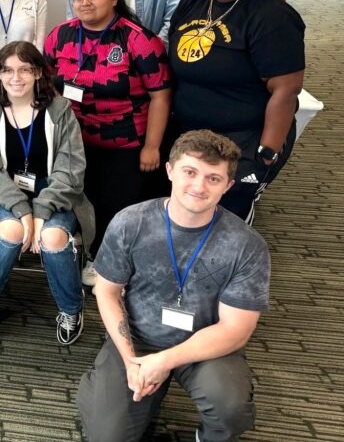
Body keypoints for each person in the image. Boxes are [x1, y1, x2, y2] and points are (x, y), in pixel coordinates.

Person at [77, 131, 270, 442]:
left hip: (205, 346)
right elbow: (107, 292)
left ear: (228, 186)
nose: (199, 186)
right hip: (138, 339)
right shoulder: (130, 222)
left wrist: (165, 361)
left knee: (229, 410)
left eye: (213, 178)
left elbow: (236, 330)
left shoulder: (246, 246)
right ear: (169, 170)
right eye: (189, 172)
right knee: (105, 435)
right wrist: (130, 361)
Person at [167, 0, 304, 221]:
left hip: (245, 136)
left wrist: (267, 151)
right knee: (186, 210)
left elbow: (286, 90)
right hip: (190, 132)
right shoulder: (192, 4)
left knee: (224, 214)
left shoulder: (271, 16)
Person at [45, 0, 170, 286]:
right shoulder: (60, 35)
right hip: (75, 142)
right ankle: (86, 252)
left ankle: (109, 265)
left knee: (117, 208)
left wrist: (152, 146)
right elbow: (48, 88)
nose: (85, 1)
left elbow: (161, 95)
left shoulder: (138, 40)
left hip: (125, 145)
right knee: (83, 202)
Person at [0, 42, 91, 345]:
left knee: (52, 237)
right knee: (10, 231)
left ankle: (71, 309)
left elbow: (71, 170)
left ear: (38, 72)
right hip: (4, 194)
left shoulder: (60, 110)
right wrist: (24, 212)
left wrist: (40, 212)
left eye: (25, 69)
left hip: (57, 195)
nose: (16, 77)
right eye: (7, 69)